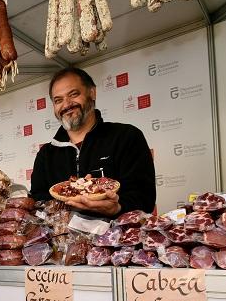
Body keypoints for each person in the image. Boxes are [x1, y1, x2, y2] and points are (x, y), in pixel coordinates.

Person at [30, 67, 156, 217]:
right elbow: (38, 202)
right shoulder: (46, 155)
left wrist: (117, 207)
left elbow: (145, 198)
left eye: (74, 94)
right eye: (58, 100)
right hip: (63, 239)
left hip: (115, 239)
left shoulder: (126, 137)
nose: (67, 104)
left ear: (92, 92)